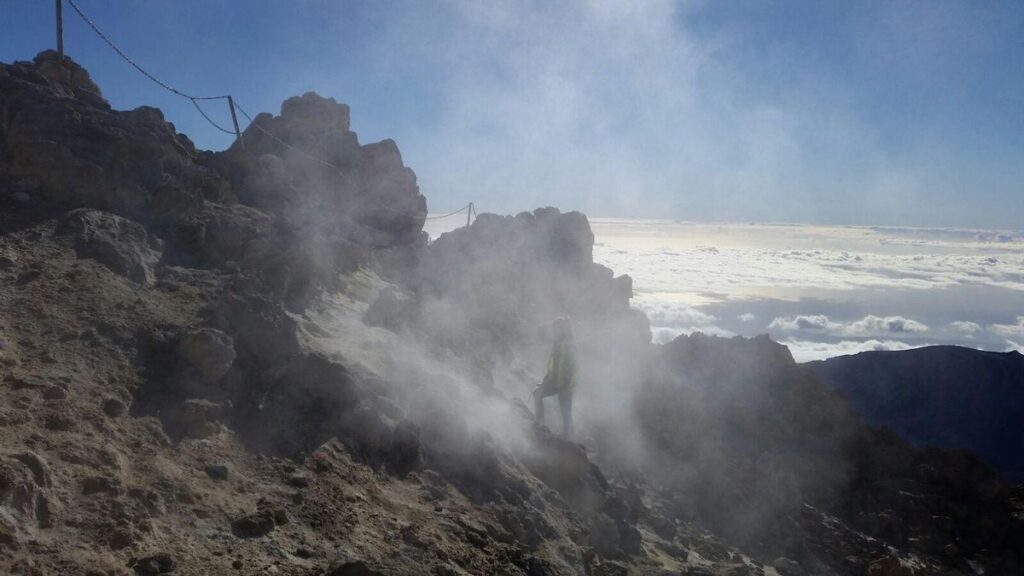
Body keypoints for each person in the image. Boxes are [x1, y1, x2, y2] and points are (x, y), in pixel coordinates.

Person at [533, 317, 577, 436]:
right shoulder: (557, 344)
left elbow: (572, 368)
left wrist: (566, 384)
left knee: (566, 413)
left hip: (564, 384)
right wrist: (546, 379)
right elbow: (554, 366)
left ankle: (568, 439)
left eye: (556, 328)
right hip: (556, 383)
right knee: (537, 394)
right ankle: (540, 425)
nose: (554, 330)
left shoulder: (568, 345)